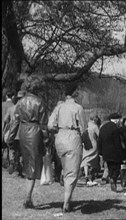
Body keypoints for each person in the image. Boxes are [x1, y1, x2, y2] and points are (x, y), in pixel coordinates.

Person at [7, 76, 49, 209]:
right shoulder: (39, 102)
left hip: (23, 132)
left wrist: (10, 138)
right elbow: (43, 125)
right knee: (32, 167)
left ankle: (28, 197)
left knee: (27, 165)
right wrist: (47, 141)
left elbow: (14, 122)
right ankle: (27, 198)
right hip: (35, 132)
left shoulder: (20, 102)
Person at [48, 83, 87, 213]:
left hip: (59, 138)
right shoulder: (78, 108)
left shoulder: (58, 107)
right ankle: (66, 203)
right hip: (72, 137)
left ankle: (64, 180)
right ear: (75, 94)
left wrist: (57, 129)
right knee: (72, 172)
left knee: (65, 166)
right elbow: (83, 128)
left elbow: (49, 125)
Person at [98, 113, 123, 192]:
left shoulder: (103, 128)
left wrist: (100, 151)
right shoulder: (116, 129)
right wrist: (120, 153)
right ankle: (113, 179)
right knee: (117, 168)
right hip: (114, 152)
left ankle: (112, 179)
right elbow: (117, 142)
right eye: (119, 119)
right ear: (116, 120)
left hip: (105, 152)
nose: (120, 121)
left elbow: (99, 141)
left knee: (110, 167)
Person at [3, 90, 25, 177]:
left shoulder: (11, 108)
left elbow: (5, 120)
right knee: (22, 151)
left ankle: (13, 162)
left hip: (13, 133)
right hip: (23, 133)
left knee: (13, 149)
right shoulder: (25, 109)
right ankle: (20, 166)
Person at [80, 113, 100, 186]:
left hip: (86, 144)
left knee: (85, 159)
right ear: (95, 118)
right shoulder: (95, 126)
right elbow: (99, 135)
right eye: (97, 118)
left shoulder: (86, 125)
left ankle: (86, 175)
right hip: (93, 144)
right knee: (92, 160)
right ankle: (91, 176)